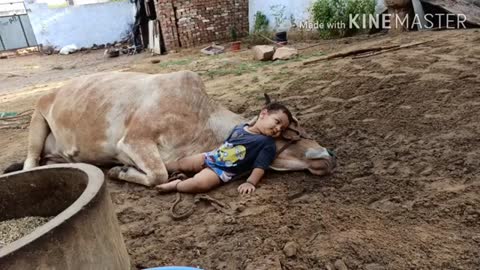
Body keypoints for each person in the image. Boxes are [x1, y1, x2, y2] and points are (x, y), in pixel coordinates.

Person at [155, 102, 294, 195]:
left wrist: (250, 182)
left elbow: (260, 166)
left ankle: (177, 185)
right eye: (277, 122)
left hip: (221, 171)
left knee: (199, 184)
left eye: (282, 129)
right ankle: (158, 168)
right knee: (181, 163)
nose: (278, 129)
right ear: (263, 114)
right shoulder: (241, 127)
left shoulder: (266, 143)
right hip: (211, 156)